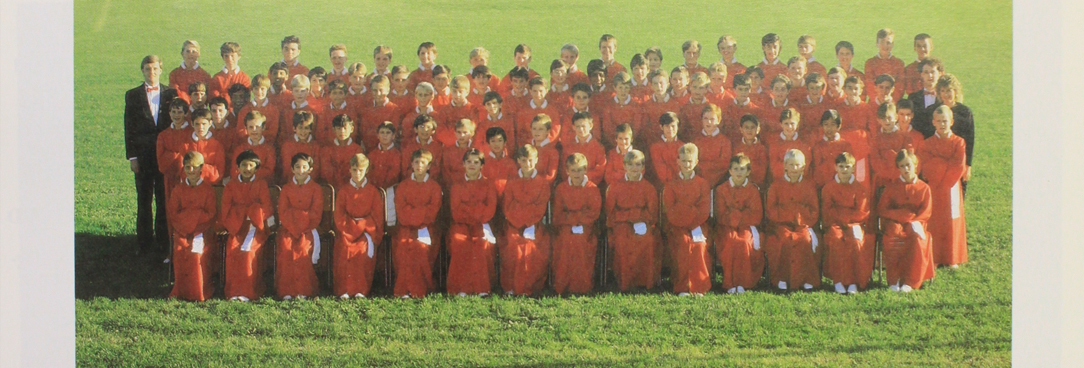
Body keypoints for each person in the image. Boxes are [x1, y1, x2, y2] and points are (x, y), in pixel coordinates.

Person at [127, 55, 179, 258]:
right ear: (142, 70)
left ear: (161, 70)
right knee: (144, 200)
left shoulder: (170, 93)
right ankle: (144, 243)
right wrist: (132, 157)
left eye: (155, 68)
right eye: (148, 69)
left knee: (163, 199)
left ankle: (163, 242)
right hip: (143, 156)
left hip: (164, 156)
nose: (152, 72)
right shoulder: (132, 95)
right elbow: (129, 126)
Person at [877, 149, 935, 292]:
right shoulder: (892, 187)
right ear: (898, 168)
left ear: (916, 165)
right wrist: (900, 216)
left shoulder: (924, 188)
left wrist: (913, 220)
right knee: (892, 237)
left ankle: (911, 281)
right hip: (894, 222)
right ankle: (894, 280)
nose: (906, 169)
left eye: (908, 165)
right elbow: (882, 209)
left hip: (915, 223)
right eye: (902, 166)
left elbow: (926, 211)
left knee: (916, 239)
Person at [764, 149, 821, 291]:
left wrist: (800, 216)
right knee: (784, 239)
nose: (794, 169)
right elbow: (771, 210)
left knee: (804, 240)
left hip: (803, 225)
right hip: (781, 225)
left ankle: (805, 278)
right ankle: (782, 277)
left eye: (798, 165)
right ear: (785, 166)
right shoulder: (776, 185)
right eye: (791, 165)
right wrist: (790, 213)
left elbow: (814, 210)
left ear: (803, 167)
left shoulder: (809, 186)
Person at [919, 105, 968, 268]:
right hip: (934, 186)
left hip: (951, 186)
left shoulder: (959, 142)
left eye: (945, 121)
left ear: (951, 122)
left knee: (952, 220)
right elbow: (926, 166)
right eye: (938, 121)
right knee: (936, 221)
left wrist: (940, 165)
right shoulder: (927, 143)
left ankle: (952, 257)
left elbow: (958, 166)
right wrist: (944, 164)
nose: (942, 124)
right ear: (933, 122)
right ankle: (937, 255)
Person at [332, 153, 386, 299]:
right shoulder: (344, 191)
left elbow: (376, 216)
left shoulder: (372, 191)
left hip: (365, 230)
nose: (357, 173)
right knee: (344, 248)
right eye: (354, 170)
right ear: (350, 170)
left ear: (366, 171)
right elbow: (339, 214)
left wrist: (362, 227)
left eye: (361, 170)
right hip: (347, 230)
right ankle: (344, 289)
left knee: (361, 250)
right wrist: (349, 229)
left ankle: (360, 289)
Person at [446, 148, 499, 296]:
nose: (472, 165)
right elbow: (456, 211)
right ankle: (462, 287)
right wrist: (477, 210)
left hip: (482, 223)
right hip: (461, 224)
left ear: (482, 165)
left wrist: (470, 211)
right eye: (468, 161)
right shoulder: (456, 185)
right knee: (459, 241)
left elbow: (490, 208)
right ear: (463, 164)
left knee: (481, 243)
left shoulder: (489, 185)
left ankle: (482, 287)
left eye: (476, 162)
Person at [221, 150, 273, 301]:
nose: (247, 168)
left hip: (255, 227)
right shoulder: (231, 185)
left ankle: (248, 291)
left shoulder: (261, 184)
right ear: (238, 167)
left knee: (248, 252)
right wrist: (243, 212)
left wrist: (253, 212)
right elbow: (226, 208)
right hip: (236, 226)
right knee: (233, 249)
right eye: (243, 165)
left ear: (256, 168)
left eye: (251, 165)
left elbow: (266, 207)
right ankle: (233, 291)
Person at [821, 152, 875, 294]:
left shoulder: (859, 188)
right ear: (835, 168)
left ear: (853, 169)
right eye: (841, 166)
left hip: (854, 223)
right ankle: (838, 280)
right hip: (835, 223)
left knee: (855, 242)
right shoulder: (829, 188)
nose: (844, 170)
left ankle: (853, 281)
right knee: (836, 240)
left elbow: (862, 212)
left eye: (848, 167)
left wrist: (848, 221)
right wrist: (842, 220)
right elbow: (827, 210)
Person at [606, 149, 660, 291]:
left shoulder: (649, 187)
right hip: (621, 223)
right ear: (624, 166)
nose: (634, 168)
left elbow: (652, 212)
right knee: (623, 240)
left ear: (643, 167)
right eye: (630, 165)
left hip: (643, 222)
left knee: (647, 240)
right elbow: (611, 212)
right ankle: (625, 282)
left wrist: (639, 219)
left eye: (637, 165)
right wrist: (627, 218)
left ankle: (644, 281)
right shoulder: (615, 186)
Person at [501, 145, 552, 296]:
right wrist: (518, 223)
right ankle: (512, 286)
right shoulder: (511, 182)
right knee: (514, 246)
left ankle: (529, 287)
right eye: (524, 160)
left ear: (536, 160)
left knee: (531, 247)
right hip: (514, 224)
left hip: (534, 225)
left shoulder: (542, 183)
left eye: (530, 160)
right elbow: (508, 206)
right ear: (518, 161)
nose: (527, 164)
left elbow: (540, 207)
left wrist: (528, 223)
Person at [167, 151, 218, 301]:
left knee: (196, 254)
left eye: (195, 167)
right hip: (182, 230)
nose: (191, 171)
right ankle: (180, 290)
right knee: (180, 249)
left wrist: (193, 221)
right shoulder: (178, 189)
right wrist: (185, 225)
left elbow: (210, 213)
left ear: (201, 168)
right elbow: (173, 212)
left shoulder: (208, 190)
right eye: (187, 167)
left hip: (202, 230)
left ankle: (198, 291)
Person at [663, 143, 712, 296]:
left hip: (698, 225)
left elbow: (703, 210)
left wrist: (688, 217)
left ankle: (699, 285)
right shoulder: (671, 185)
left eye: (689, 161)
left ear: (696, 162)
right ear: (678, 161)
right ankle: (682, 286)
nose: (686, 164)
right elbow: (671, 210)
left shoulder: (703, 184)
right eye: (683, 161)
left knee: (699, 245)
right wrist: (689, 213)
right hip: (676, 225)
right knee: (683, 243)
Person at [393, 149, 444, 298]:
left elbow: (432, 211)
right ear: (411, 164)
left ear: (429, 166)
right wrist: (419, 213)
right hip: (406, 226)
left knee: (420, 248)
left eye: (423, 163)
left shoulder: (434, 186)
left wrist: (415, 213)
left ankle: (419, 288)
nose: (419, 165)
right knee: (404, 246)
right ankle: (404, 289)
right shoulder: (403, 185)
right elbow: (401, 211)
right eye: (416, 162)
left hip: (427, 228)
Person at [551, 153, 602, 295]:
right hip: (566, 226)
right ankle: (563, 284)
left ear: (585, 170)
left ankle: (581, 286)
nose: (576, 174)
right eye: (573, 170)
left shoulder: (592, 188)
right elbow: (558, 213)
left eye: (580, 170)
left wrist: (575, 219)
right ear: (567, 171)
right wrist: (572, 221)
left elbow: (593, 213)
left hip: (586, 227)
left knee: (579, 241)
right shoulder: (561, 188)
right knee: (567, 240)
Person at [714, 154, 765, 294]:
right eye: (735, 169)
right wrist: (740, 215)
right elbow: (721, 214)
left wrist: (735, 214)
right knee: (730, 241)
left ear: (748, 172)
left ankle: (743, 282)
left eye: (742, 169)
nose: (738, 172)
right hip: (726, 226)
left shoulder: (753, 190)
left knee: (743, 242)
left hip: (746, 226)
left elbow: (756, 214)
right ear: (730, 171)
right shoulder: (721, 190)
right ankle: (730, 282)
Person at [276, 153, 323, 300]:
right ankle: (287, 291)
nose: (301, 170)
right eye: (297, 167)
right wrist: (293, 226)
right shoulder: (286, 188)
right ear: (292, 169)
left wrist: (301, 223)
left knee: (302, 250)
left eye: (304, 167)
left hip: (308, 229)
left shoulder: (316, 188)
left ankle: (304, 290)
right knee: (286, 248)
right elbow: (283, 211)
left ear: (310, 169)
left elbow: (316, 212)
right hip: (289, 228)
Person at [934, 74, 976, 194]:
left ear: (955, 91)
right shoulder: (934, 110)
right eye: (942, 91)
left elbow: (970, 139)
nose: (946, 94)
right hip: (939, 159)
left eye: (949, 91)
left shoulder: (965, 112)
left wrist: (968, 165)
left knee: (958, 194)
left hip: (958, 159)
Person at [156, 99, 192, 205]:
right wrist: (178, 156)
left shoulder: (191, 133)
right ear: (169, 113)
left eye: (180, 112)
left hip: (188, 177)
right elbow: (161, 160)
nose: (176, 115)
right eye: (173, 112)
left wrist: (173, 155)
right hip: (170, 178)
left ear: (186, 113)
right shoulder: (163, 135)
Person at [871, 102, 914, 189]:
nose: (886, 121)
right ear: (878, 120)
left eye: (889, 118)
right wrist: (886, 173)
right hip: (882, 179)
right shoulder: (876, 139)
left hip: (899, 177)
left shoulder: (904, 136)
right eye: (883, 118)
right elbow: (874, 160)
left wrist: (896, 173)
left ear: (896, 117)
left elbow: (908, 156)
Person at [180, 108, 226, 185]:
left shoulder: (217, 145)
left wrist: (198, 168)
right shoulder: (185, 145)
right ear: (192, 124)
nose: (200, 127)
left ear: (210, 123)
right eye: (197, 124)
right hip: (190, 186)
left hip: (210, 186)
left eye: (204, 124)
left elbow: (219, 172)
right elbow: (181, 170)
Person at [811, 109, 854, 189]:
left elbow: (850, 167)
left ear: (838, 126)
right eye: (826, 124)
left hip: (842, 184)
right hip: (823, 185)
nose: (829, 128)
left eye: (832, 125)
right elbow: (817, 169)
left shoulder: (845, 145)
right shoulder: (818, 146)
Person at [766, 108, 811, 183]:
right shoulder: (774, 144)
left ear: (797, 125)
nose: (789, 127)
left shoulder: (804, 145)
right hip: (780, 183)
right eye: (786, 123)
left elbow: (805, 169)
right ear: (781, 124)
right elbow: (774, 169)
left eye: (792, 124)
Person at [561, 111, 607, 182]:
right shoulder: (568, 147)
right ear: (573, 127)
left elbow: (599, 170)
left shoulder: (599, 147)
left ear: (591, 126)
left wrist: (582, 179)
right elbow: (564, 169)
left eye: (583, 126)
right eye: (578, 126)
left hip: (590, 184)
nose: (581, 129)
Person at [692, 104, 732, 186]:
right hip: (699, 182)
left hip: (719, 182)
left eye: (712, 119)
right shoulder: (696, 141)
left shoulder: (725, 141)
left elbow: (724, 164)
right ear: (701, 120)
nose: (708, 122)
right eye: (705, 118)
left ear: (719, 120)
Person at [230, 111, 275, 182]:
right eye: (251, 127)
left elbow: (269, 171)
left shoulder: (269, 149)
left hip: (261, 185)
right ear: (246, 128)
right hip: (242, 184)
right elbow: (234, 170)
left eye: (257, 127)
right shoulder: (240, 149)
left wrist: (248, 174)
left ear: (263, 128)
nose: (254, 130)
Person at [321, 114, 364, 189]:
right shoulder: (327, 149)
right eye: (338, 128)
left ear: (351, 129)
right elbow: (326, 173)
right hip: (333, 188)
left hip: (351, 188)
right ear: (334, 130)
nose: (342, 131)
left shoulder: (357, 149)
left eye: (345, 128)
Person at [280, 111, 322, 184]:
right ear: (294, 128)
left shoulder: (315, 146)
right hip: (292, 183)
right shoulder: (287, 145)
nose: (303, 131)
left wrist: (305, 181)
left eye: (306, 128)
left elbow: (316, 169)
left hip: (310, 183)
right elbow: (287, 169)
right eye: (300, 128)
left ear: (310, 129)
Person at [863, 28, 905, 101]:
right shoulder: (870, 63)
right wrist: (878, 99)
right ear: (877, 44)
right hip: (874, 103)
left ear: (892, 44)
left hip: (893, 103)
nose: (885, 46)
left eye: (888, 43)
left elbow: (900, 86)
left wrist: (891, 99)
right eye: (882, 42)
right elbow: (869, 85)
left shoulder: (899, 63)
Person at [602, 72, 643, 148]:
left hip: (630, 143)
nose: (623, 91)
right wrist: (617, 143)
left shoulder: (636, 105)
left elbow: (636, 127)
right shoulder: (608, 105)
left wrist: (627, 142)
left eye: (626, 87)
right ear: (615, 87)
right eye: (620, 87)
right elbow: (607, 128)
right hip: (614, 144)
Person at [400, 114, 444, 184]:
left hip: (431, 183)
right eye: (422, 127)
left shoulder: (437, 147)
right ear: (416, 129)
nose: (425, 130)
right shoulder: (409, 145)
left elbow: (437, 169)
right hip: (412, 182)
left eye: (428, 127)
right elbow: (405, 168)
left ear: (433, 131)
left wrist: (425, 179)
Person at [237, 75, 281, 142]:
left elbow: (272, 132)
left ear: (267, 90)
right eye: (256, 89)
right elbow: (241, 131)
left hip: (266, 145)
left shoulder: (273, 110)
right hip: (248, 144)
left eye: (262, 89)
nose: (259, 92)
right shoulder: (244, 110)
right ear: (252, 90)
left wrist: (255, 135)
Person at [732, 114, 769, 187]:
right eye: (746, 127)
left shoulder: (761, 149)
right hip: (740, 184)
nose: (749, 130)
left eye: (752, 127)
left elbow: (762, 172)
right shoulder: (737, 148)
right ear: (741, 129)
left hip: (756, 185)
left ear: (758, 130)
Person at [649, 112, 684, 186]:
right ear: (661, 127)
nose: (670, 129)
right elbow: (661, 172)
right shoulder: (655, 147)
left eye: (673, 126)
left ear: (678, 127)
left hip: (681, 184)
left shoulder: (683, 146)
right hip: (664, 185)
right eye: (667, 126)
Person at [678, 72, 715, 140]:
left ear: (706, 90)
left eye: (701, 88)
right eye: (694, 87)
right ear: (690, 87)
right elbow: (681, 131)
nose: (697, 91)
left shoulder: (711, 107)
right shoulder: (684, 108)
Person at [481, 127, 516, 197]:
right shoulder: (484, 163)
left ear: (505, 142)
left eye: (500, 140)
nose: (496, 144)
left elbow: (514, 184)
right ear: (488, 143)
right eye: (493, 141)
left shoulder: (510, 163)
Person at [367, 122, 402, 190]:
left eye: (388, 133)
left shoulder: (397, 154)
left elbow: (393, 176)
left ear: (393, 136)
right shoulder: (371, 155)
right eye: (382, 132)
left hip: (391, 190)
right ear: (378, 135)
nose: (385, 136)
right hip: (373, 189)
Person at [528, 114, 560, 182]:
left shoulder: (552, 152)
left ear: (548, 131)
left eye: (541, 129)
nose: (537, 132)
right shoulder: (527, 147)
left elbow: (550, 176)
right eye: (534, 128)